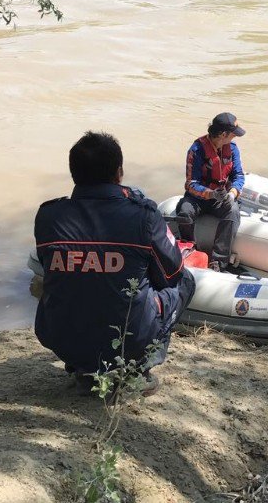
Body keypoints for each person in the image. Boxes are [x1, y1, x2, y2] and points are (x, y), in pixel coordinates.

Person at [34, 131, 195, 397]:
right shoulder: (143, 215)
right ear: (119, 172)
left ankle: (85, 370)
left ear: (73, 173)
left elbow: (49, 269)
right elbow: (174, 271)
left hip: (59, 334)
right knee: (185, 280)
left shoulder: (48, 216)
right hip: (128, 338)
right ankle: (139, 369)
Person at [177, 113, 246, 271]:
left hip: (221, 198)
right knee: (185, 211)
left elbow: (239, 176)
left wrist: (232, 193)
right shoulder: (196, 150)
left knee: (233, 211)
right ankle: (190, 249)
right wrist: (210, 193)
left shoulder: (233, 149)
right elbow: (190, 183)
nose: (235, 138)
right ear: (224, 134)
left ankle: (218, 262)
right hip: (198, 198)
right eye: (233, 134)